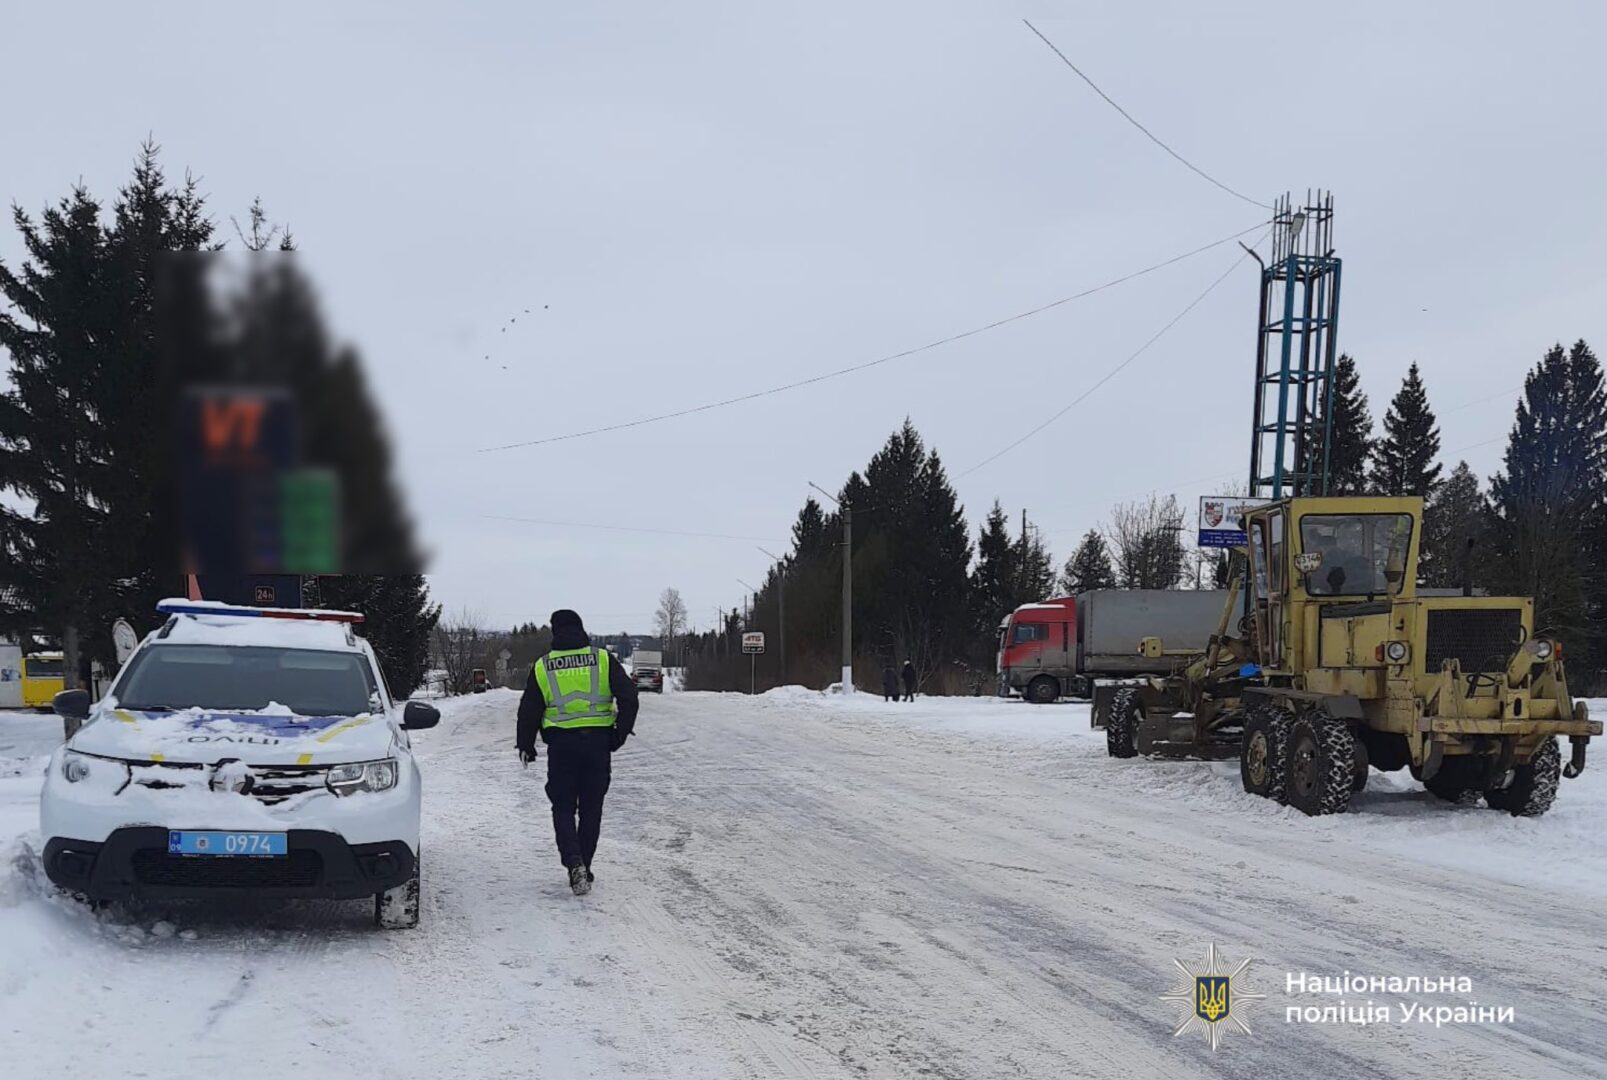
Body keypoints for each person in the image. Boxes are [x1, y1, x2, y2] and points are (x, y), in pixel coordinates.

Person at [516, 609, 639, 895]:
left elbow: (529, 709)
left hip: (561, 747)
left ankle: (573, 862)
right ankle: (585, 862)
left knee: (562, 806)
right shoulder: (602, 659)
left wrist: (526, 744)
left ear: (554, 631)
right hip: (597, 745)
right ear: (581, 629)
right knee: (592, 808)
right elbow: (629, 697)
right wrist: (619, 733)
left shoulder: (544, 666)